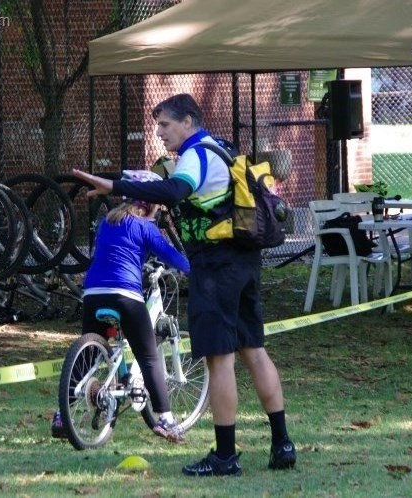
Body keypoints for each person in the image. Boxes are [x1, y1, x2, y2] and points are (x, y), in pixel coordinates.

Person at [72, 93, 296, 476]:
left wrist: (114, 186)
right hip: (243, 260)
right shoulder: (219, 148)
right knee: (254, 350)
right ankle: (282, 444)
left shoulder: (195, 156)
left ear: (188, 122)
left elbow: (173, 191)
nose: (159, 133)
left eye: (165, 125)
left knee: (220, 358)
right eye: (157, 125)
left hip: (216, 265)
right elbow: (161, 182)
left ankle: (225, 456)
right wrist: (125, 182)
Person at [52, 169, 190, 443]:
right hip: (124, 294)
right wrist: (198, 271)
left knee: (87, 355)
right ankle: (166, 420)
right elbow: (172, 256)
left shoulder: (108, 220)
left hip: (93, 293)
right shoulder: (146, 228)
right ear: (149, 202)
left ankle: (60, 414)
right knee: (149, 357)